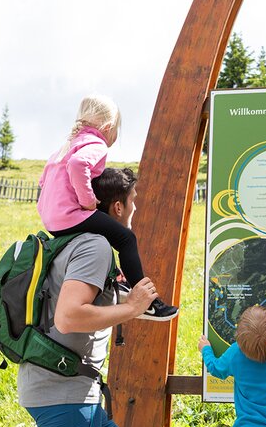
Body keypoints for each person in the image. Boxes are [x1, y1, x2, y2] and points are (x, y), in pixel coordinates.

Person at [20, 167, 158, 427]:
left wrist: (135, 304)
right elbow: (68, 317)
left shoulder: (70, 240)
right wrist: (130, 308)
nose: (133, 210)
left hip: (62, 389)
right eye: (132, 203)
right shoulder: (95, 246)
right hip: (65, 399)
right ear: (118, 206)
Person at [37, 94, 177, 321]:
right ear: (109, 127)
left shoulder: (65, 146)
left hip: (52, 220)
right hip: (71, 216)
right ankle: (147, 302)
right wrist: (88, 201)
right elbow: (78, 164)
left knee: (107, 235)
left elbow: (43, 181)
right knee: (126, 239)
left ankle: (119, 283)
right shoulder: (96, 144)